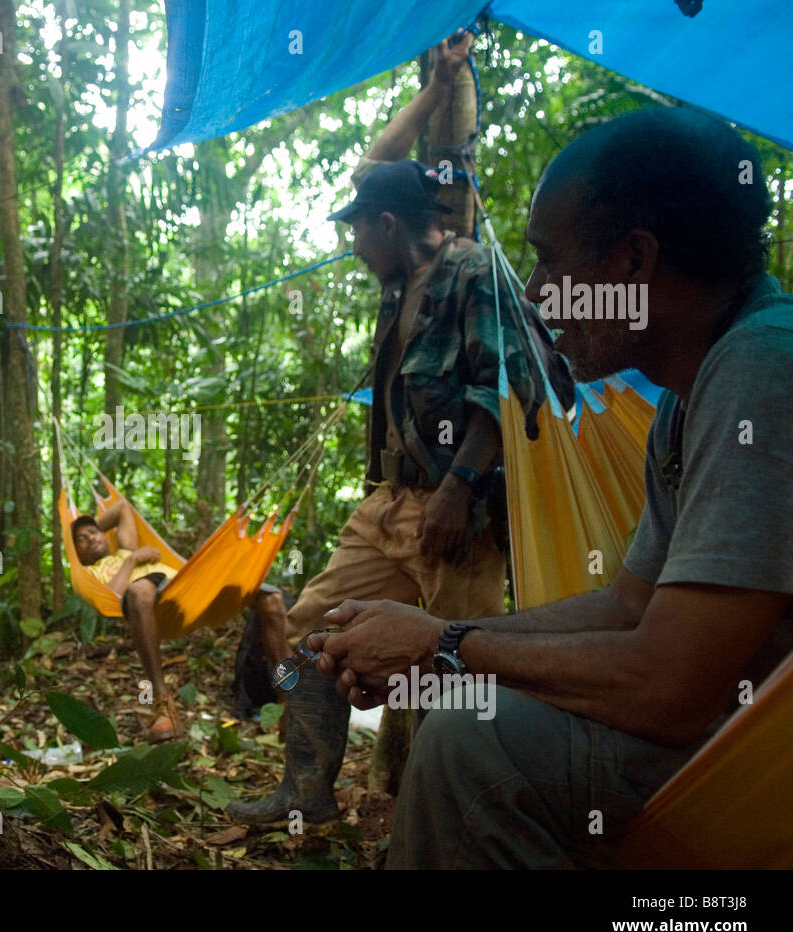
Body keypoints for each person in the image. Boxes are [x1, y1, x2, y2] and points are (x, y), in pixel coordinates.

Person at [308, 105, 793, 868]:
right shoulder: (687, 397)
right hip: (736, 735)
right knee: (473, 705)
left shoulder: (762, 372)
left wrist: (444, 647)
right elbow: (626, 606)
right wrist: (433, 647)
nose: (535, 293)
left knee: (474, 746)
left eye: (550, 261)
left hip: (760, 767)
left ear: (634, 263)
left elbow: (671, 685)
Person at [227, 32, 556, 827]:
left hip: (460, 513)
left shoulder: (471, 268)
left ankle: (439, 819)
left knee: (449, 663)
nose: (350, 244)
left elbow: (504, 386)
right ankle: (306, 794)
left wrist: (458, 490)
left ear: (384, 224)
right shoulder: (396, 274)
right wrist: (435, 83)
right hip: (389, 502)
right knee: (311, 629)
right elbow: (374, 162)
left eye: (355, 229)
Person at [72, 501, 289, 742]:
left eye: (93, 532)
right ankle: (162, 703)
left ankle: (290, 701)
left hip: (186, 587)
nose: (91, 538)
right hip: (155, 600)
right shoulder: (88, 574)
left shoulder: (124, 548)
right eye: (81, 539)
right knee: (138, 591)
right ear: (75, 552)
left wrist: (91, 529)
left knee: (272, 598)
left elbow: (122, 508)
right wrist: (132, 560)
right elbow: (111, 598)